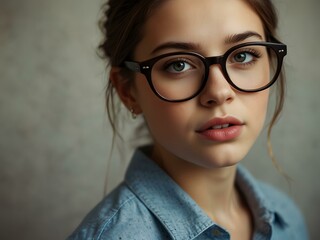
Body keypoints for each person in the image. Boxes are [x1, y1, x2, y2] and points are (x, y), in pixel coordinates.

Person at [68, 0, 309, 239]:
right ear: (127, 91)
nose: (219, 92)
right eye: (178, 64)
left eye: (243, 55)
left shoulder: (287, 220)